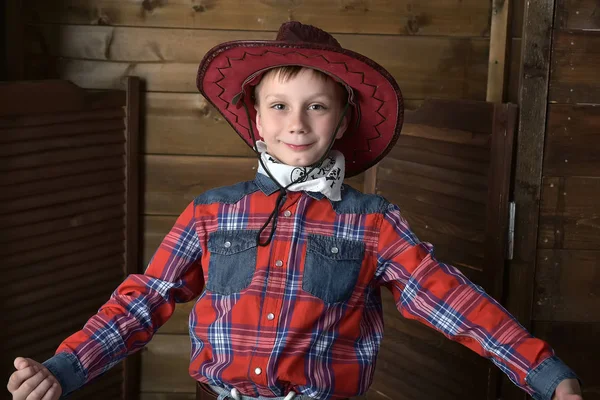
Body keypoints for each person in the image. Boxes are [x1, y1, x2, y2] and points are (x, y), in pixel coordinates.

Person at [7, 21, 582, 400]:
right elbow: (145, 299)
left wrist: (544, 373)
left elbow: (453, 300)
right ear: (255, 118)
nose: (296, 123)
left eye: (317, 106)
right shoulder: (210, 214)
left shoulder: (373, 223)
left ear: (343, 119)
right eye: (279, 106)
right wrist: (65, 368)